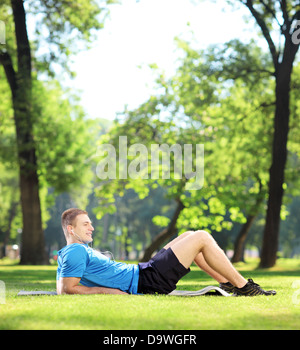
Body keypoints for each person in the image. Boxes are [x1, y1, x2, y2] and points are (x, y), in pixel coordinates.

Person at [56, 208, 276, 297]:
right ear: (71, 229)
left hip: (144, 272)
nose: (91, 227)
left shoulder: (71, 252)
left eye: (90, 223)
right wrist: (106, 292)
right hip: (146, 281)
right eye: (85, 224)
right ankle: (244, 287)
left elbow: (61, 285)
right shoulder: (75, 251)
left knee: (191, 234)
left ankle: (226, 283)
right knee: (201, 237)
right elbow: (67, 289)